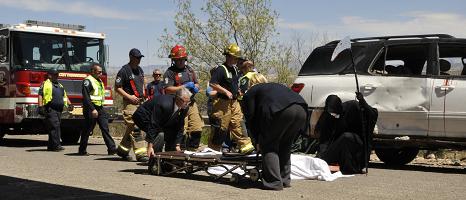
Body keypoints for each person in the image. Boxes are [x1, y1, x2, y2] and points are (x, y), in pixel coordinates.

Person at [241, 83, 309, 190]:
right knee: (285, 145)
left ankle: (273, 182)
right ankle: (284, 180)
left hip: (280, 110)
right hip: (302, 109)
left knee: (269, 146)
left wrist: (257, 141)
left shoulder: (249, 93)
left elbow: (250, 118)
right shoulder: (272, 88)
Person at [316, 93, 378, 174]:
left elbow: (372, 114)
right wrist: (321, 156)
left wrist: (363, 102)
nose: (332, 115)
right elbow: (325, 139)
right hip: (337, 145)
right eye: (330, 112)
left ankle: (351, 167)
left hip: (357, 144)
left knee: (346, 137)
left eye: (334, 112)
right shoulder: (328, 116)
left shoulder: (353, 107)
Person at [209, 44, 254, 154]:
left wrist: (237, 90)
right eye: (235, 57)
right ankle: (212, 151)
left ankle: (246, 147)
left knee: (238, 123)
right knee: (221, 127)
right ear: (229, 56)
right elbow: (213, 84)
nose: (237, 60)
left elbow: (234, 83)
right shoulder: (221, 69)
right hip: (222, 104)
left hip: (234, 102)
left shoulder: (234, 69)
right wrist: (225, 91)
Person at [163, 45, 204, 151]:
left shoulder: (190, 70)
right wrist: (184, 86)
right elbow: (168, 89)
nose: (180, 62)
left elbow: (197, 83)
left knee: (196, 128)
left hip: (191, 102)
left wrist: (195, 87)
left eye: (182, 59)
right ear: (173, 60)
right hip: (178, 105)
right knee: (181, 130)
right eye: (178, 60)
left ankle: (193, 152)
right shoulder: (170, 72)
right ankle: (180, 154)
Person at [131, 88, 191, 157]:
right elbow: (153, 124)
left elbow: (180, 126)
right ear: (178, 99)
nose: (187, 104)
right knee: (160, 135)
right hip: (143, 117)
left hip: (160, 119)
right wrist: (150, 147)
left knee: (172, 133)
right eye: (185, 102)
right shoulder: (164, 104)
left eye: (188, 102)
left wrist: (177, 145)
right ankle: (155, 158)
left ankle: (168, 160)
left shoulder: (185, 107)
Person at [114, 48, 148, 162]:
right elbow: (117, 88)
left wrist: (144, 95)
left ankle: (122, 150)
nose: (139, 60)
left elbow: (143, 83)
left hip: (140, 103)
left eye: (140, 58)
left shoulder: (140, 70)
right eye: (137, 58)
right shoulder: (124, 70)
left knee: (131, 128)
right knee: (136, 127)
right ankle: (141, 154)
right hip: (130, 104)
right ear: (131, 57)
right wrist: (130, 97)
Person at [78, 64, 117, 156]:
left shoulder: (99, 81)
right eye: (99, 72)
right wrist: (92, 109)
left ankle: (112, 149)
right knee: (88, 129)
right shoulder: (88, 81)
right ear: (93, 71)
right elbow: (86, 97)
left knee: (105, 128)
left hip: (100, 108)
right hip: (90, 108)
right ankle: (82, 149)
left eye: (101, 72)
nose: (101, 73)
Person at [38, 68, 73, 151]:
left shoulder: (59, 85)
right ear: (50, 75)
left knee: (54, 127)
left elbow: (64, 95)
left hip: (59, 110)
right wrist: (40, 107)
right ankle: (56, 145)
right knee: (55, 126)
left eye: (57, 74)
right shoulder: (45, 84)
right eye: (55, 74)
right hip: (50, 108)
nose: (57, 76)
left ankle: (51, 146)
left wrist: (70, 104)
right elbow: (40, 95)